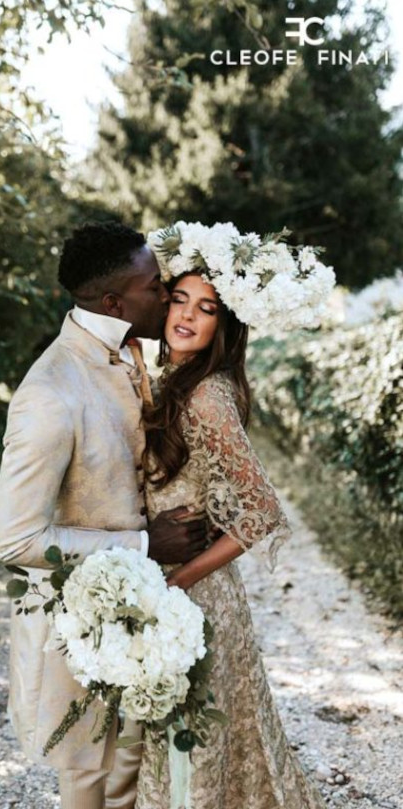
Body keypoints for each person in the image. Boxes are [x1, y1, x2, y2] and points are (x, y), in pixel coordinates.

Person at [0, 222, 208, 809]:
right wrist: (143, 545)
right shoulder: (50, 393)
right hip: (80, 626)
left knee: (134, 772)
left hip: (146, 618)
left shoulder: (137, 348)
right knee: (89, 777)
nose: (166, 294)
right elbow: (16, 539)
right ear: (114, 302)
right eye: (154, 285)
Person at [136, 271, 326, 809]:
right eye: (179, 300)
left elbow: (262, 512)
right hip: (168, 586)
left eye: (207, 308)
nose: (187, 316)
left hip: (197, 596)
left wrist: (180, 578)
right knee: (181, 744)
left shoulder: (207, 397)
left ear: (225, 324)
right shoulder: (169, 379)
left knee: (197, 749)